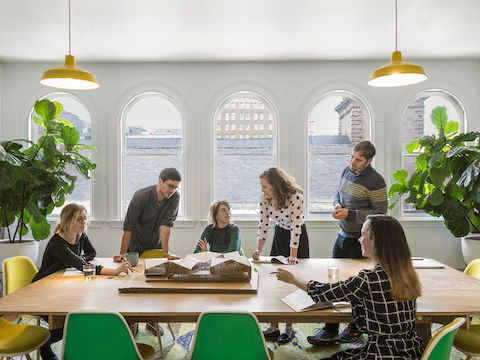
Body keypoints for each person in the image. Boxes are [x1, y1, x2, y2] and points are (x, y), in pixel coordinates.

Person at [277, 215, 424, 359]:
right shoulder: (407, 274)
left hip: (380, 353)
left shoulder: (368, 279)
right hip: (411, 351)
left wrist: (293, 279)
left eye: (363, 235)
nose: (359, 240)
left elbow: (323, 292)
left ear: (376, 242)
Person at [309, 140, 387, 345]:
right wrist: (336, 205)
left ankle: (354, 328)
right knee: (334, 282)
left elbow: (380, 214)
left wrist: (349, 213)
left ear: (369, 160)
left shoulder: (376, 181)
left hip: (361, 241)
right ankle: (330, 329)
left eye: (358, 160)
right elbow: (338, 193)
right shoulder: (346, 171)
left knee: (356, 287)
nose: (353, 162)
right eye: (352, 157)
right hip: (342, 235)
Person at [33, 203, 132, 360]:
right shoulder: (57, 243)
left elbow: (91, 253)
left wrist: (76, 260)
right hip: (43, 291)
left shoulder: (81, 235)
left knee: (85, 315)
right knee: (74, 323)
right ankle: (42, 344)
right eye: (79, 219)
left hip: (63, 286)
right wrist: (113, 271)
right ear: (68, 221)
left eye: (85, 219)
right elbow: (83, 265)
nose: (83, 223)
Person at [252, 167, 309, 344]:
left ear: (276, 185)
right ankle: (274, 326)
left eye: (265, 187)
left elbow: (295, 227)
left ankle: (289, 328)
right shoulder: (265, 199)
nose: (262, 191)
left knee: (291, 283)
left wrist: (293, 256)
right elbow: (263, 225)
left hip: (297, 238)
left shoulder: (296, 197)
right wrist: (258, 250)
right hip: (279, 234)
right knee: (274, 282)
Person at [114, 167, 181, 262]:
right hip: (135, 247)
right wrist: (122, 254)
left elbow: (166, 225)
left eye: (175, 187)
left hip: (156, 246)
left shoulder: (174, 197)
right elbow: (129, 227)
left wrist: (166, 253)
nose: (172, 191)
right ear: (160, 181)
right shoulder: (140, 196)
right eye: (170, 186)